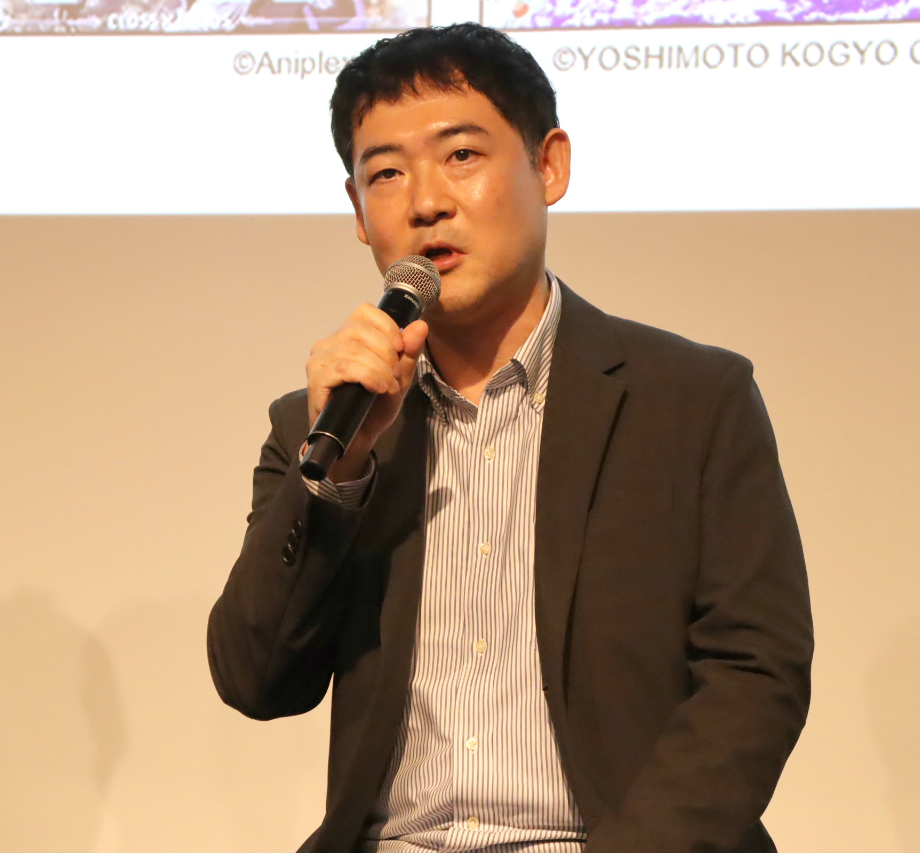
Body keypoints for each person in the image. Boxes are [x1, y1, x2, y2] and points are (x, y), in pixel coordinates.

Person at [207, 22, 812, 853]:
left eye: (461, 155)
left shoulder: (694, 400)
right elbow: (255, 679)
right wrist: (339, 473)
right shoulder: (320, 423)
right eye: (386, 173)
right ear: (358, 211)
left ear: (549, 166)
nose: (425, 202)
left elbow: (756, 674)